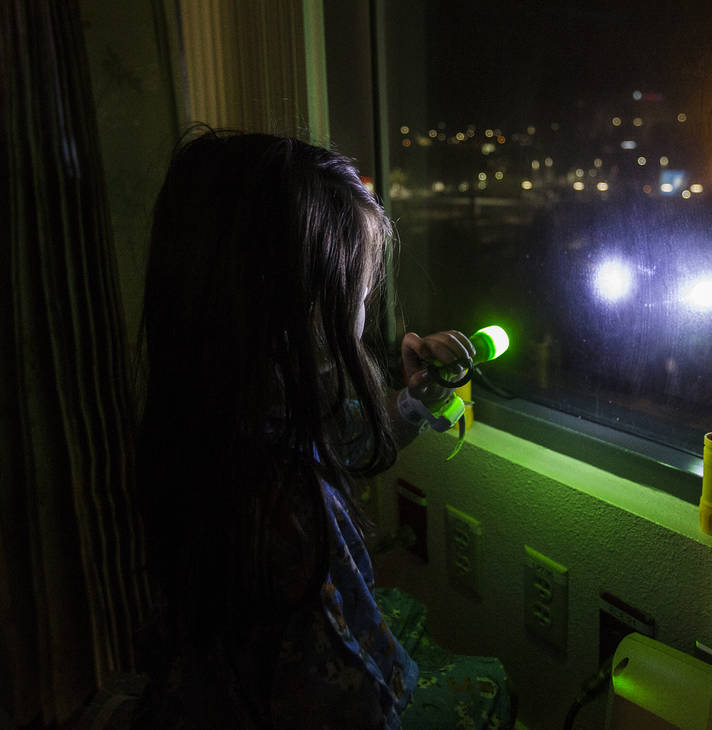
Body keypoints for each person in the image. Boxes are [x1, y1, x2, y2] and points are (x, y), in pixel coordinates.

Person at [134, 129, 511, 728]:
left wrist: (414, 402)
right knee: (490, 685)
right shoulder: (278, 507)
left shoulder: (230, 416)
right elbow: (348, 707)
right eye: (356, 298)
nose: (362, 320)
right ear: (294, 308)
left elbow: (349, 441)